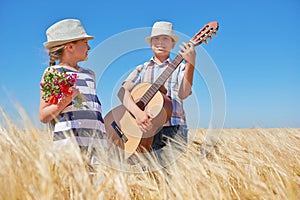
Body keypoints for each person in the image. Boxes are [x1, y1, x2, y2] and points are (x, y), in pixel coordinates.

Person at [118, 21, 196, 165]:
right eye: (156, 39)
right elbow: (122, 92)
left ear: (173, 44)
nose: (160, 43)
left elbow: (184, 93)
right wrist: (138, 113)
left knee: (175, 176)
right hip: (145, 131)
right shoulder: (142, 69)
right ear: (151, 43)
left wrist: (191, 63)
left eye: (165, 39)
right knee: (147, 173)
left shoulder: (181, 68)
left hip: (175, 128)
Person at [39, 19, 106, 164]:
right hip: (69, 147)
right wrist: (64, 101)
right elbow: (44, 116)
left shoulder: (90, 74)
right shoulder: (53, 73)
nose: (89, 48)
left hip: (96, 146)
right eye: (85, 43)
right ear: (70, 47)